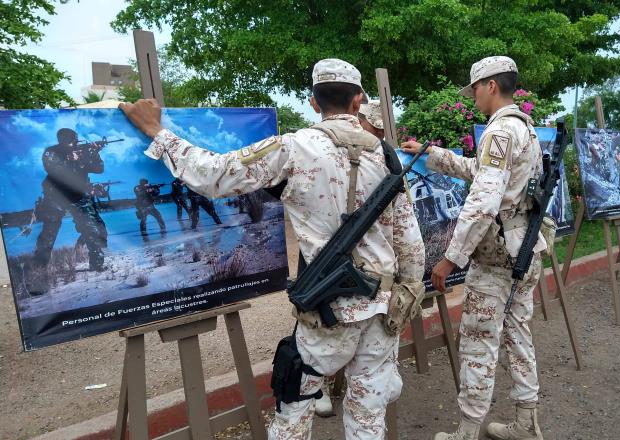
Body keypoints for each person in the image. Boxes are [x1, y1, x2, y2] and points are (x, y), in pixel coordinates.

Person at [120, 58, 425, 440]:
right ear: (358, 100)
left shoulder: (293, 148)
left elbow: (214, 175)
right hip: (382, 309)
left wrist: (155, 130)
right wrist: (406, 296)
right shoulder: (388, 156)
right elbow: (410, 244)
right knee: (368, 415)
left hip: (330, 310)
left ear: (313, 103)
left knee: (295, 401)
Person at [402, 56, 547, 440]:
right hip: (525, 247)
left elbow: (483, 199)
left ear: (491, 87)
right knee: (518, 333)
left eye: (475, 90)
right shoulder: (524, 128)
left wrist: (450, 259)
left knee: (478, 342)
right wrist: (431, 155)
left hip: (499, 256)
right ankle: (527, 423)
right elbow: (480, 171)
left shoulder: (499, 133)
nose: (473, 98)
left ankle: (466, 433)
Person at [32, 128, 108, 290]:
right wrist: (72, 160)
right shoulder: (51, 152)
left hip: (79, 195)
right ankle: (39, 269)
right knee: (49, 233)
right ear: (61, 140)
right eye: (71, 140)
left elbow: (99, 169)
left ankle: (97, 263)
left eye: (75, 140)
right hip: (56, 195)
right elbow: (54, 171)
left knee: (92, 227)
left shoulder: (83, 151)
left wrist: (93, 153)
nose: (74, 143)